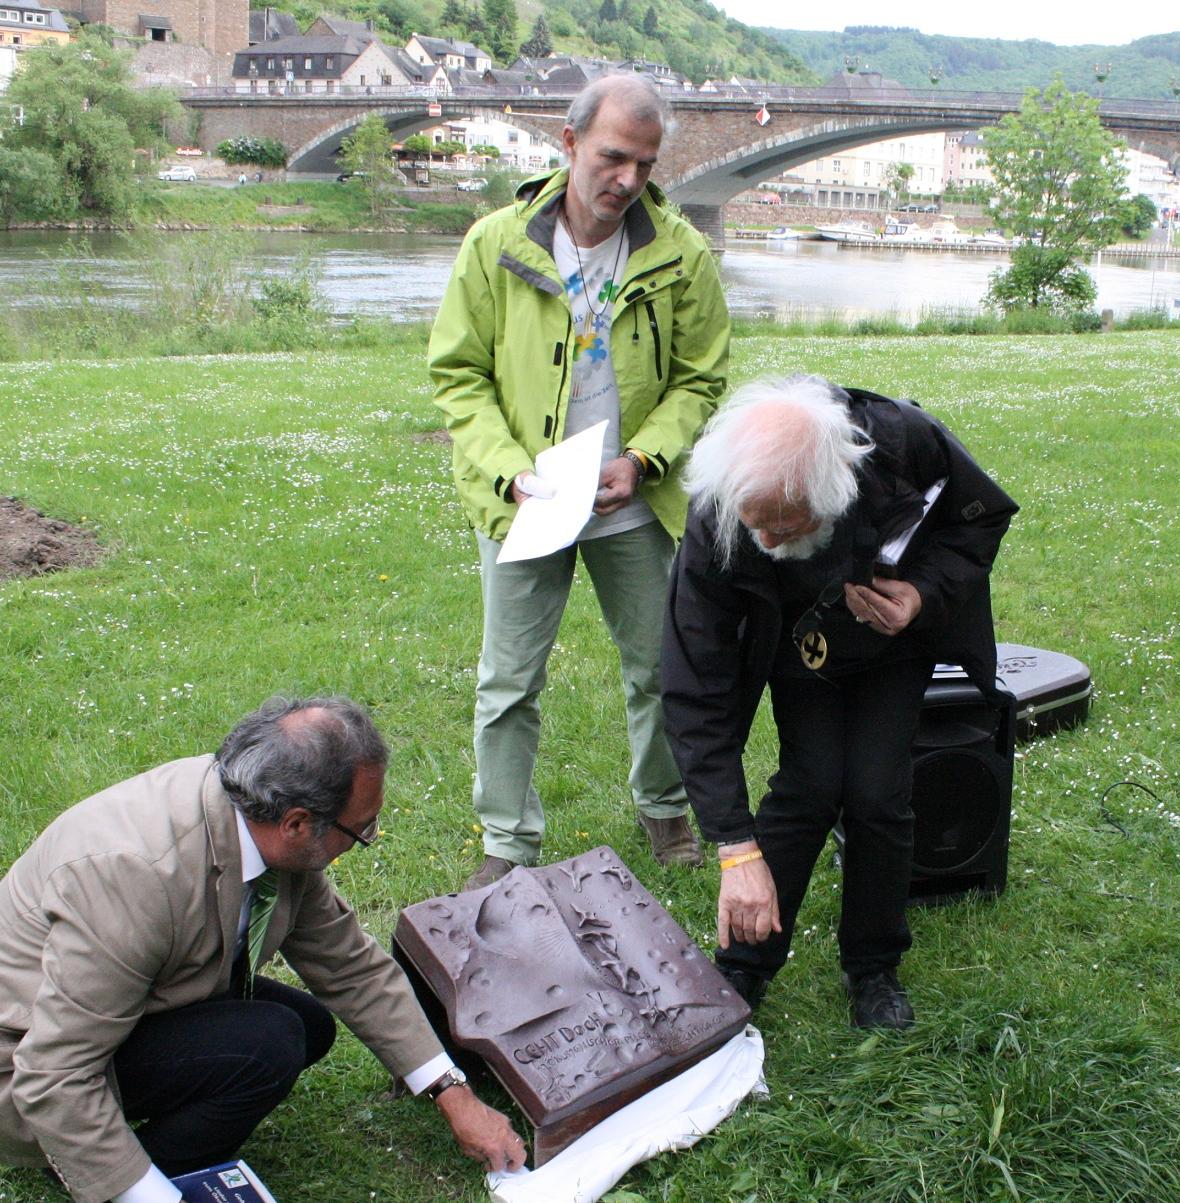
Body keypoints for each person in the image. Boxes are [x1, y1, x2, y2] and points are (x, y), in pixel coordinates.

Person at [0, 697, 527, 1203]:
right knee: (267, 1043)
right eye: (360, 829)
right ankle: (124, 1167)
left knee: (304, 1027)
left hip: (91, 1021)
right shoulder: (135, 877)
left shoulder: (254, 814)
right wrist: (150, 1196)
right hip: (3, 1070)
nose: (367, 837)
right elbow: (54, 1073)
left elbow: (351, 968)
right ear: (295, 822)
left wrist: (453, 1093)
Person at [428, 72, 729, 890]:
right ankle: (506, 839)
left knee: (659, 667)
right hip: (523, 501)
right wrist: (509, 471)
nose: (626, 179)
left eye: (643, 162)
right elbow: (459, 375)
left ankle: (664, 806)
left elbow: (701, 379)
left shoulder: (681, 253)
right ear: (568, 144)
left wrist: (645, 460)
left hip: (632, 501)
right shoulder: (495, 244)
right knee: (508, 680)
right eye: (611, 157)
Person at [660, 375, 1017, 1029]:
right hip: (801, 646)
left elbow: (980, 517)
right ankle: (742, 967)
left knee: (879, 791)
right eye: (754, 522)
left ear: (833, 491)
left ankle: (873, 966)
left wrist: (921, 595)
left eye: (786, 523)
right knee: (810, 783)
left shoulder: (902, 443)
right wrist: (733, 847)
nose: (766, 540)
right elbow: (694, 685)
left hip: (891, 639)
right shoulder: (717, 513)